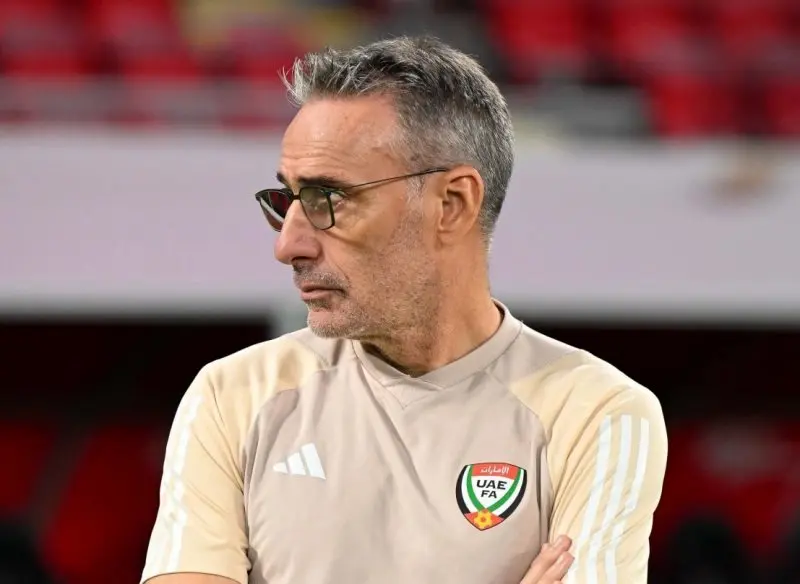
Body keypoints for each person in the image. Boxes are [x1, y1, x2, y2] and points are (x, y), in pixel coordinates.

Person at [140, 36, 668, 584]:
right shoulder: (232, 396)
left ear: (452, 204)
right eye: (287, 200)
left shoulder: (598, 412)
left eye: (329, 199)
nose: (287, 245)